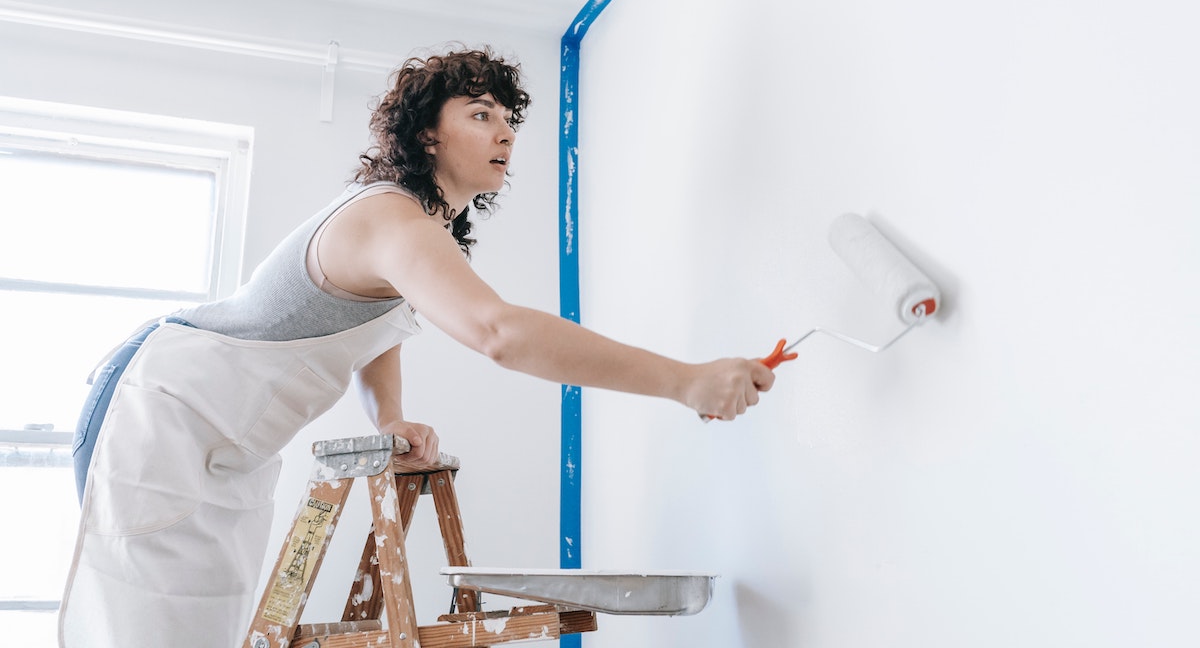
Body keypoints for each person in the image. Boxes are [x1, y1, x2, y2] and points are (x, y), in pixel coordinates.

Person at [59, 46, 774, 648]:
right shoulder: (390, 219)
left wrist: (388, 418)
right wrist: (686, 381)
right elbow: (499, 334)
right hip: (163, 413)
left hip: (225, 445)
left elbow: (372, 330)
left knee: (205, 626)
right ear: (428, 135)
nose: (506, 134)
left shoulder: (411, 232)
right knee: (145, 629)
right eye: (480, 113)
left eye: (508, 119)